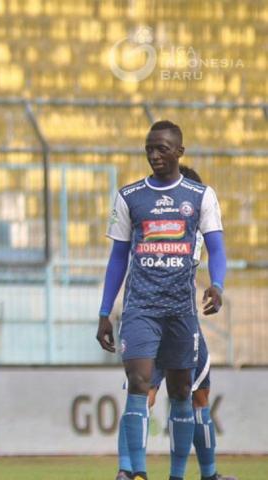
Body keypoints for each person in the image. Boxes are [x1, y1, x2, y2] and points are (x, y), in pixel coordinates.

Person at [97, 121, 227, 480]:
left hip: (181, 311)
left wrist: (217, 285)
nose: (154, 155)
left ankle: (177, 475)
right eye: (149, 148)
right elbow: (118, 258)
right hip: (140, 309)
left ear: (179, 152)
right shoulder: (129, 196)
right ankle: (134, 473)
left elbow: (217, 248)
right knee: (139, 383)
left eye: (162, 148)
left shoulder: (200, 196)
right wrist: (105, 311)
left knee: (183, 392)